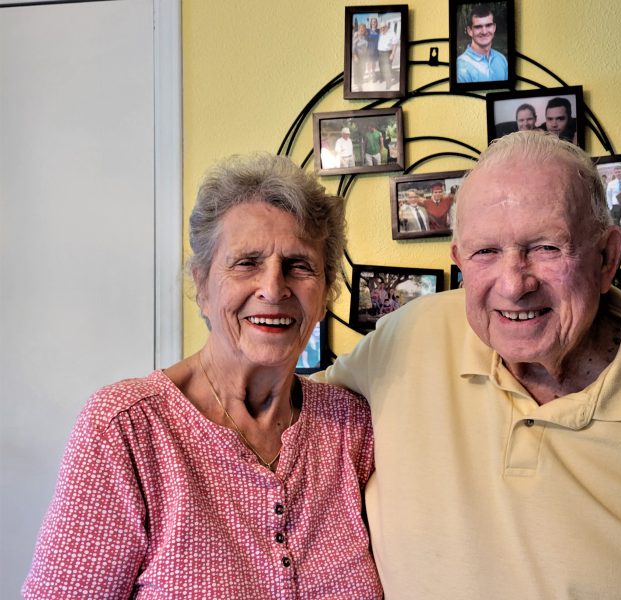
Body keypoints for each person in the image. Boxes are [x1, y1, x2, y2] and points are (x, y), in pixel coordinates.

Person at [313, 131, 621, 598]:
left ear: (607, 257)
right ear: (459, 261)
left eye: (545, 247)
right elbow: (274, 419)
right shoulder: (411, 337)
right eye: (486, 252)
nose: (514, 283)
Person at [24, 154, 382, 599]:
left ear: (325, 291)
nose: (274, 288)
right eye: (247, 262)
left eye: (299, 265)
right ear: (202, 285)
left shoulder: (350, 428)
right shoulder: (126, 430)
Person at [456, 4, 508, 84]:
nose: (484, 32)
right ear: (470, 31)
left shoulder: (501, 59)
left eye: (488, 25)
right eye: (478, 27)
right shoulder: (460, 67)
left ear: (494, 28)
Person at [376, 20, 399, 90]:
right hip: (380, 53)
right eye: (381, 28)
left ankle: (388, 83)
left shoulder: (392, 33)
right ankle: (383, 78)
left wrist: (392, 54)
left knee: (388, 69)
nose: (382, 29)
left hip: (387, 53)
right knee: (381, 67)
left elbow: (395, 44)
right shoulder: (381, 34)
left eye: (383, 27)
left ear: (387, 27)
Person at [351, 22, 370, 91]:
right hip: (357, 56)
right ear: (359, 28)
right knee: (357, 70)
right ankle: (358, 86)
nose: (362, 29)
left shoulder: (365, 37)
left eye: (364, 28)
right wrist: (355, 56)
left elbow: (366, 47)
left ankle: (360, 82)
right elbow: (353, 46)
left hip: (363, 57)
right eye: (361, 28)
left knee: (363, 69)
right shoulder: (356, 36)